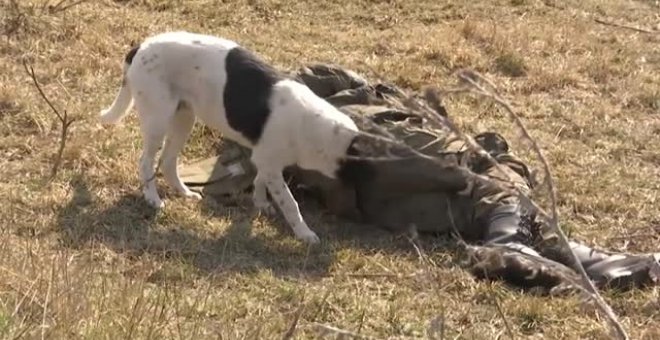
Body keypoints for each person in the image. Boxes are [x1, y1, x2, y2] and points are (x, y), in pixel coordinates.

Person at [179, 64, 660, 293]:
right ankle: (551, 253)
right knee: (490, 185)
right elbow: (302, 83)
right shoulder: (307, 94)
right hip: (373, 146)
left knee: (482, 210)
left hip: (368, 200)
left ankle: (576, 262)